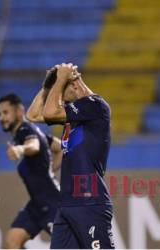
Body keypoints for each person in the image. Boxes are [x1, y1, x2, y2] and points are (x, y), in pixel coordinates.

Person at [27, 63, 115, 249]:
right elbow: (33, 116)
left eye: (61, 92)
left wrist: (60, 79)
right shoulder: (74, 114)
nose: (58, 98)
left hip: (89, 201)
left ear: (74, 85)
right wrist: (47, 86)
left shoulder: (96, 106)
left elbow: (50, 112)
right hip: (67, 204)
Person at [0, 93, 61, 249]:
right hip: (36, 204)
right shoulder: (31, 132)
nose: (1, 118)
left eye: (6, 112)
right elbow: (60, 148)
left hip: (52, 203)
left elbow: (34, 146)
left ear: (19, 111)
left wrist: (20, 149)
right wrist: (49, 171)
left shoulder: (25, 130)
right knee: (13, 239)